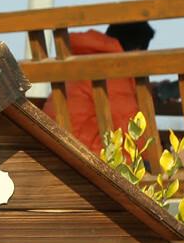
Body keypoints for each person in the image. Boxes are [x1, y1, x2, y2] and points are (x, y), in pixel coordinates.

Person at [43, 21, 155, 155]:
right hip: (84, 155)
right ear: (137, 49)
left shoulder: (87, 59)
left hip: (58, 146)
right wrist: (154, 160)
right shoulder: (112, 70)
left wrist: (153, 91)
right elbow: (131, 125)